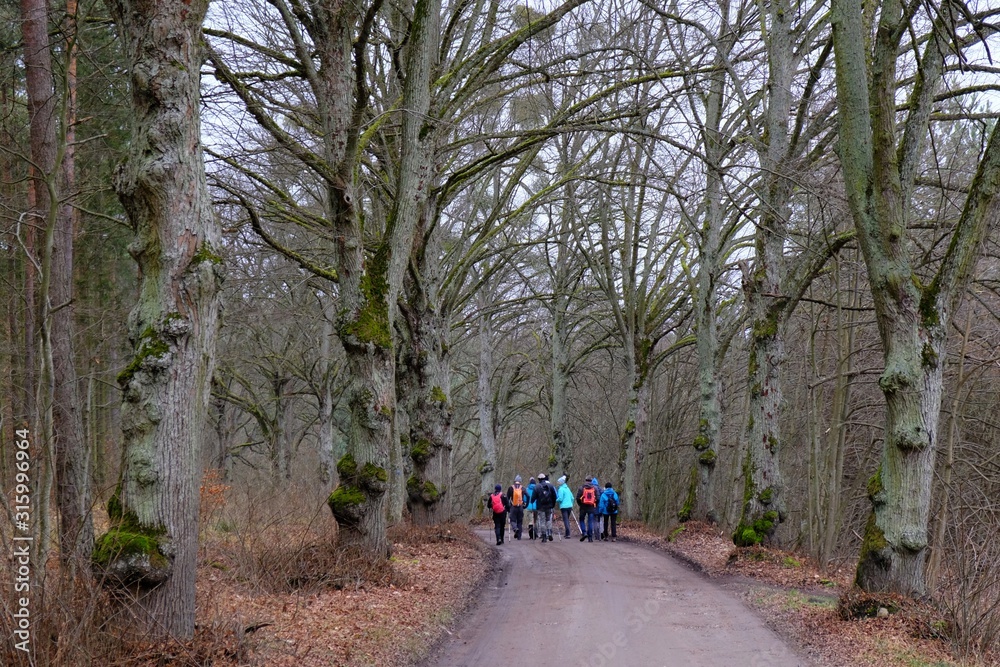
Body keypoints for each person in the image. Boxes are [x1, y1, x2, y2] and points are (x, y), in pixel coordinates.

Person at [534, 473, 557, 542]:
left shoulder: (537, 487)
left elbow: (533, 497)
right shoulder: (550, 486)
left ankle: (544, 537)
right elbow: (554, 497)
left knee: (542, 521)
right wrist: (553, 505)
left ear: (538, 479)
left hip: (540, 507)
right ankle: (549, 532)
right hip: (549, 506)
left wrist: (532, 501)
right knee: (548, 520)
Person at [576, 476, 599, 542]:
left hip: (583, 507)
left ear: (585, 480)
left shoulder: (581, 488)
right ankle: (590, 537)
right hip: (591, 507)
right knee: (590, 522)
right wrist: (595, 505)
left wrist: (580, 504)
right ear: (591, 481)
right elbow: (598, 498)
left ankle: (584, 532)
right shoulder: (595, 488)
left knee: (581, 519)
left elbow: (577, 498)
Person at [507, 475, 527, 539]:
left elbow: (507, 498)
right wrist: (526, 504)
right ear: (520, 481)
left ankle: (515, 528)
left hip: (513, 506)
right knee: (520, 521)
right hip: (520, 507)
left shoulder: (511, 488)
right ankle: (519, 536)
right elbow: (528, 496)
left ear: (515, 481)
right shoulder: (523, 488)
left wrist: (508, 506)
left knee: (512, 520)